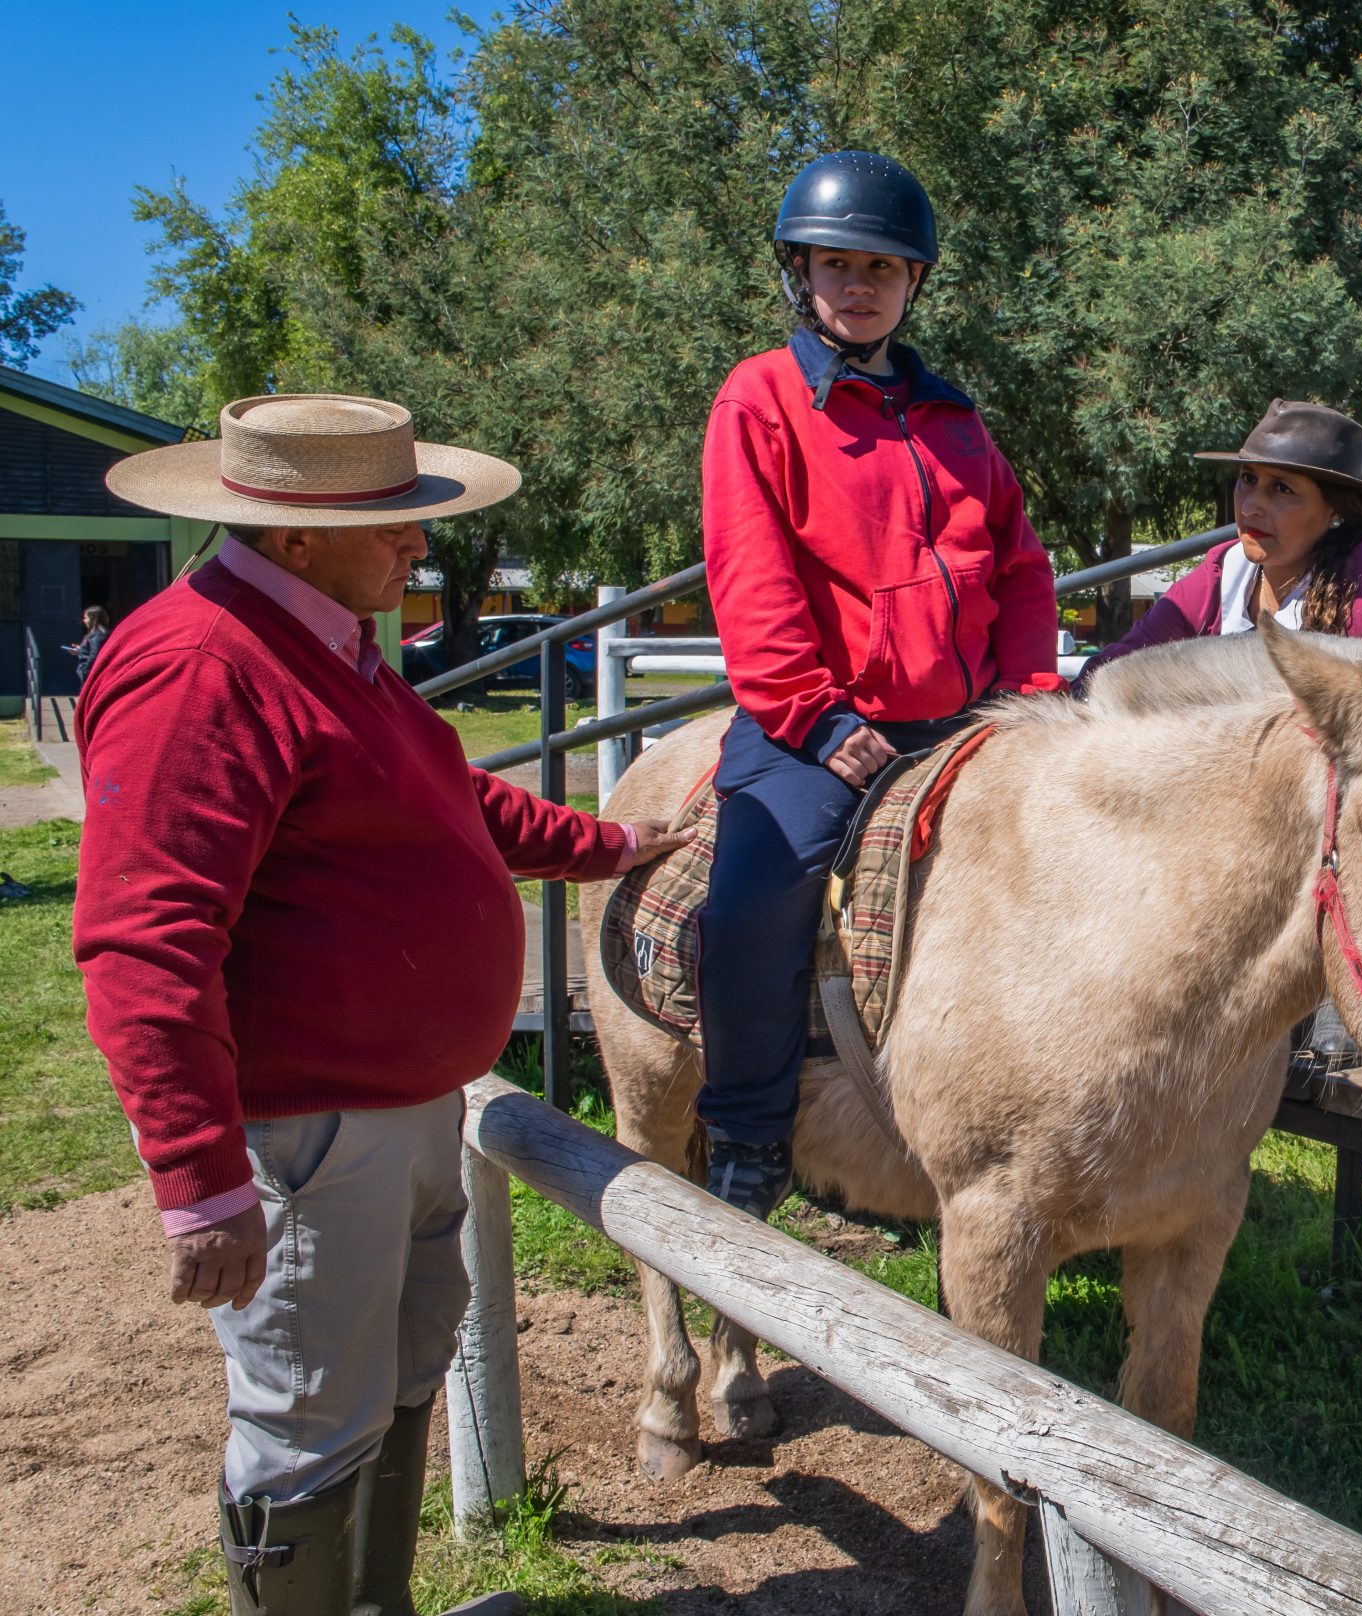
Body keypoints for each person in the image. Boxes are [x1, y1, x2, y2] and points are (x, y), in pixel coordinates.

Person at [75, 392, 690, 1616]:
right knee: (309, 1412)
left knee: (397, 1377)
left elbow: (448, 799)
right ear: (296, 533)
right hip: (311, 1131)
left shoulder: (327, 644)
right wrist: (201, 1181)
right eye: (394, 523)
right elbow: (144, 940)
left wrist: (612, 840)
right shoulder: (204, 669)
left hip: (396, 1113)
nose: (421, 546)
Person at [694, 150, 1057, 1217]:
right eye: (837, 264)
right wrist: (813, 718)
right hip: (815, 722)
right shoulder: (759, 399)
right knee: (758, 891)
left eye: (883, 268)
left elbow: (1023, 566)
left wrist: (1029, 697)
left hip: (963, 719)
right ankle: (749, 1129)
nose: (859, 286)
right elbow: (749, 570)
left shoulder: (956, 420)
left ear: (914, 284)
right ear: (799, 274)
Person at [1080, 398, 1362, 675]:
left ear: (1336, 509)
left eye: (1282, 489)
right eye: (1248, 478)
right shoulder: (1223, 573)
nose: (1250, 506)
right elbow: (1113, 668)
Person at [66, 604, 109, 690]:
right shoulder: (99, 633)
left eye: (86, 618)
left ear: (93, 619)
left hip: (90, 672)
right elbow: (91, 650)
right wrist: (79, 650)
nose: (84, 621)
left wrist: (86, 669)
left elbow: (94, 653)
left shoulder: (97, 635)